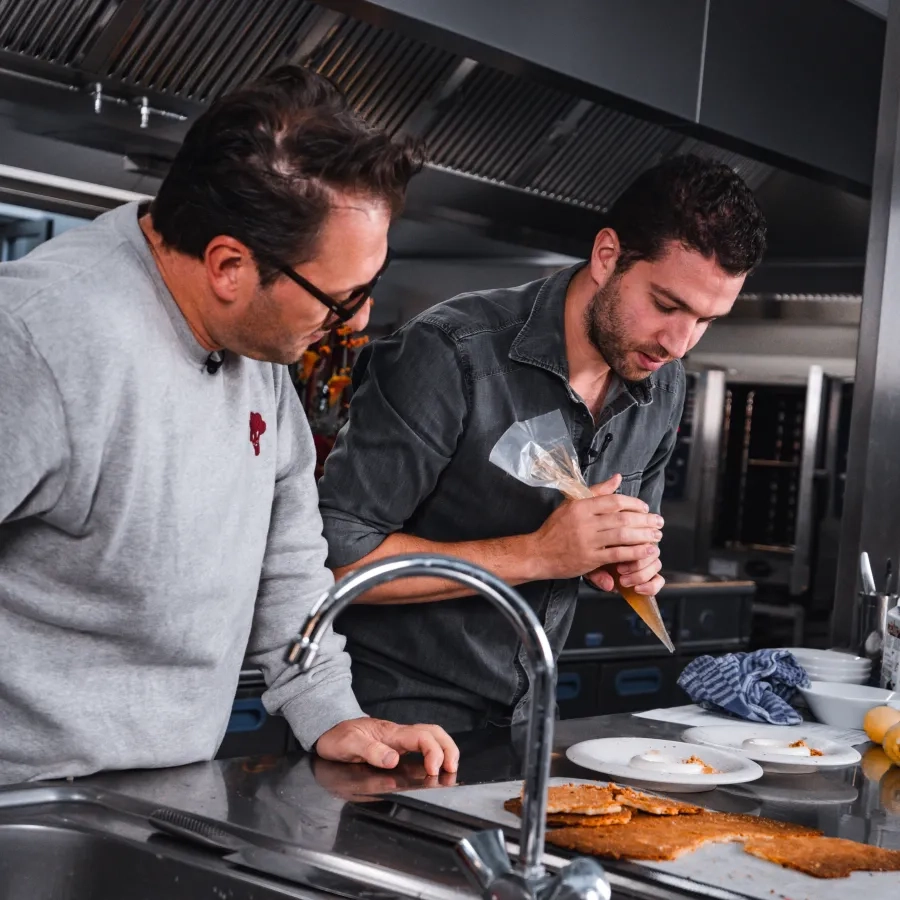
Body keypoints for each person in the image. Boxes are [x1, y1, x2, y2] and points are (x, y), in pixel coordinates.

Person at [0, 66, 458, 785]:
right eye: (342, 299)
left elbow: (288, 557)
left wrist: (328, 707)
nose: (360, 319)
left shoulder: (255, 341)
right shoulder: (38, 341)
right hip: (27, 802)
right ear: (228, 265)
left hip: (166, 790)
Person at [318, 155, 767, 732]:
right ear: (608, 257)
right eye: (666, 304)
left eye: (707, 320)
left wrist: (625, 557)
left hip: (534, 715)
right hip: (393, 717)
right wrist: (538, 554)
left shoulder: (663, 381)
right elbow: (336, 560)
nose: (680, 343)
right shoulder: (449, 352)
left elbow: (611, 545)